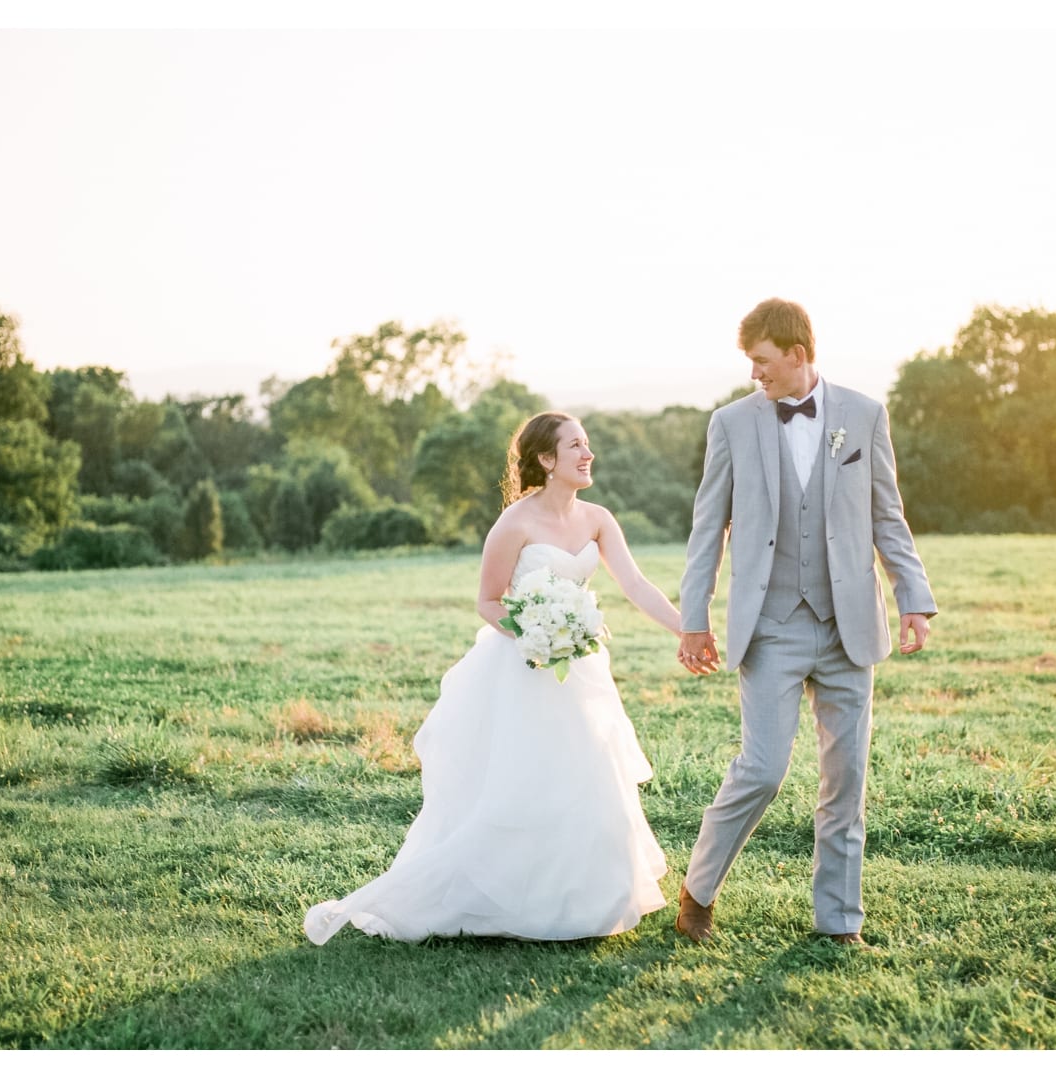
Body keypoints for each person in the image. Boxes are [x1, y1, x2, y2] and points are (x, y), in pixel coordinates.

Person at [305, 411, 682, 944]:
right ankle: (495, 900)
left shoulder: (598, 518)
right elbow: (487, 601)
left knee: (587, 777)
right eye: (575, 446)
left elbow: (637, 584)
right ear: (547, 460)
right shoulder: (515, 523)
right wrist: (539, 636)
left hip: (580, 671)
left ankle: (579, 902)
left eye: (587, 444)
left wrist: (687, 629)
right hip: (524, 668)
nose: (587, 453)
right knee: (523, 784)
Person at [674, 298, 937, 946]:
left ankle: (838, 922)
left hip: (849, 623)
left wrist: (914, 597)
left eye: (762, 362)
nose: (754, 375)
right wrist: (694, 619)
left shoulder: (864, 414)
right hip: (770, 625)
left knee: (845, 781)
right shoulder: (731, 424)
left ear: (797, 354)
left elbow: (887, 516)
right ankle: (698, 890)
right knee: (762, 770)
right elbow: (708, 527)